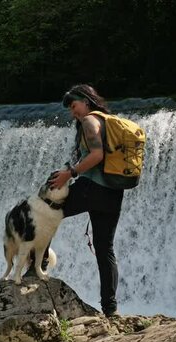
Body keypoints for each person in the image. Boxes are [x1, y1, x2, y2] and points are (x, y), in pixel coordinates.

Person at [48, 84, 125, 318]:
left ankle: (38, 267)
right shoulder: (108, 120)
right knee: (105, 250)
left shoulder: (90, 121)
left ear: (86, 100)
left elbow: (97, 155)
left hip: (92, 188)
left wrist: (69, 174)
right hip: (112, 192)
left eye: (74, 106)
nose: (74, 113)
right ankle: (110, 309)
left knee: (50, 211)